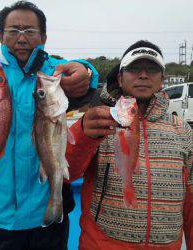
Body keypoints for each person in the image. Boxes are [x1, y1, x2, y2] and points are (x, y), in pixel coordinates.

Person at [0, 1, 99, 249]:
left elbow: (84, 81)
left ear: (43, 36)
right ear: (1, 35)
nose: (21, 38)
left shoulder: (53, 72)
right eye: (13, 30)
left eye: (30, 31)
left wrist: (87, 71)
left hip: (48, 214)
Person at [66, 40, 193, 250]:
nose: (143, 75)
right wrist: (82, 134)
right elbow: (67, 174)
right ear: (120, 77)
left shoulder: (183, 130)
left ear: (162, 79)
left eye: (152, 69)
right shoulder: (96, 121)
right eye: (134, 68)